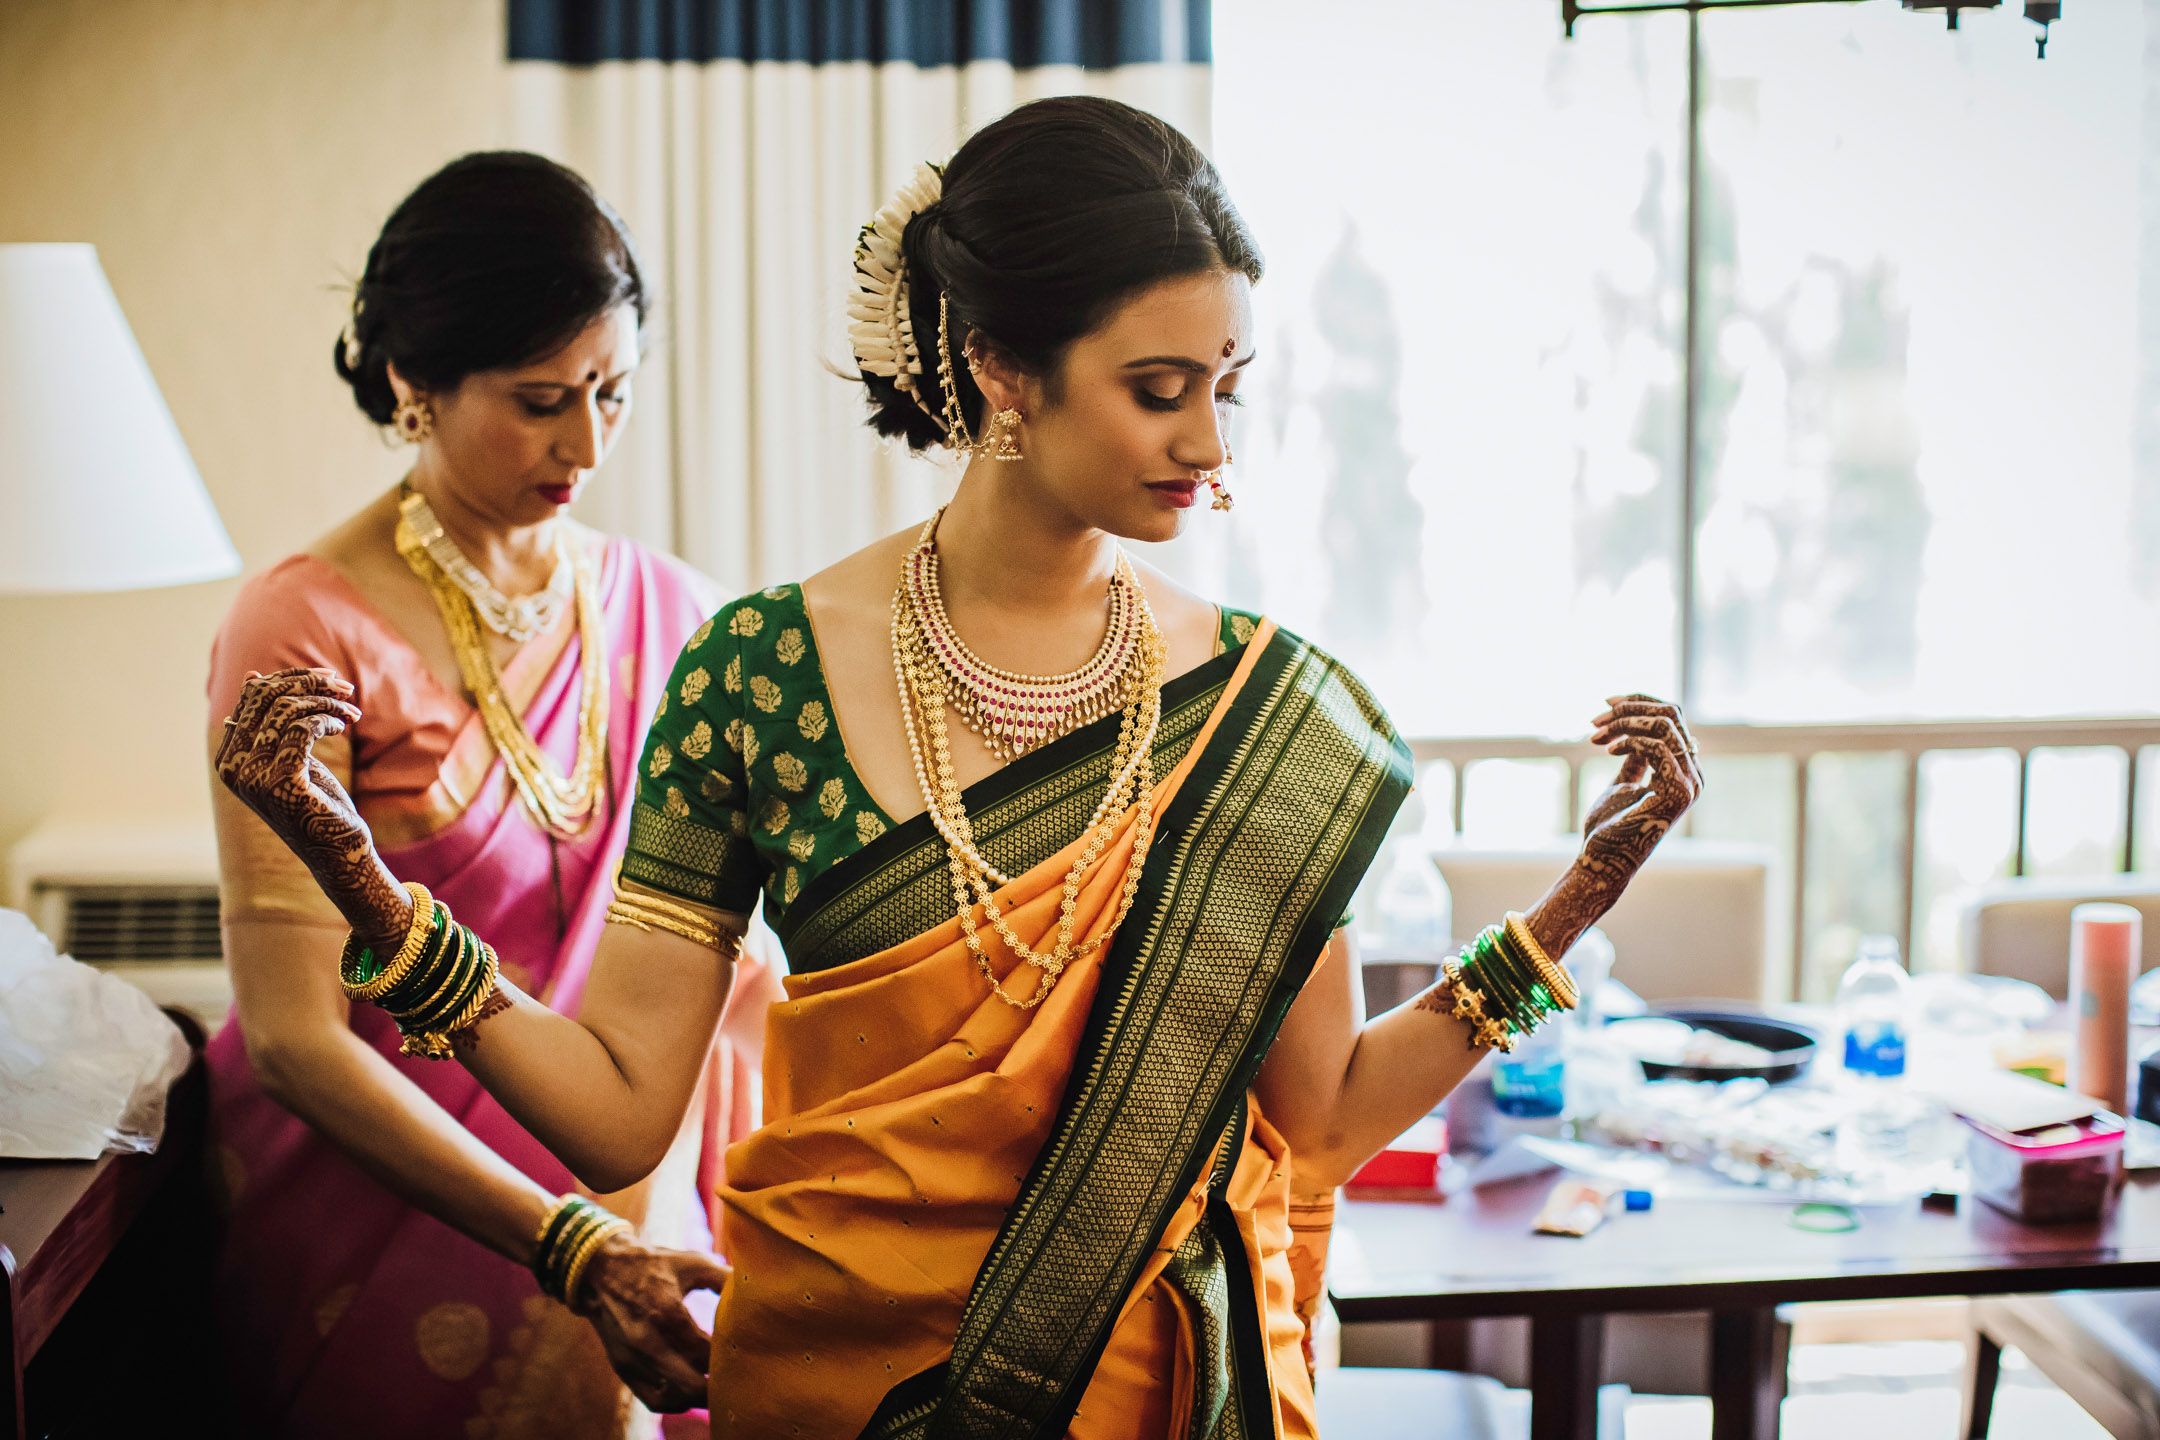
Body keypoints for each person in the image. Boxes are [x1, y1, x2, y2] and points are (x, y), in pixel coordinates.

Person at [216, 100, 1701, 1438]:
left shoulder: (1269, 710)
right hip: (842, 1388)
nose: (1211, 443)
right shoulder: (758, 674)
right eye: (1161, 387)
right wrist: (365, 887)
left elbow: (1322, 1119)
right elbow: (614, 1115)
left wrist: (1570, 908)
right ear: (1001, 364)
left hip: (1161, 1390)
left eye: (1229, 387)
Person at [204, 151, 763, 1437]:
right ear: (414, 384)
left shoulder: (676, 615)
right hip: (382, 1216)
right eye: (538, 400)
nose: (585, 442)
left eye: (612, 393)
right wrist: (567, 1246)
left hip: (636, 1189)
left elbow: (732, 959)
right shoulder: (301, 630)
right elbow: (294, 1040)